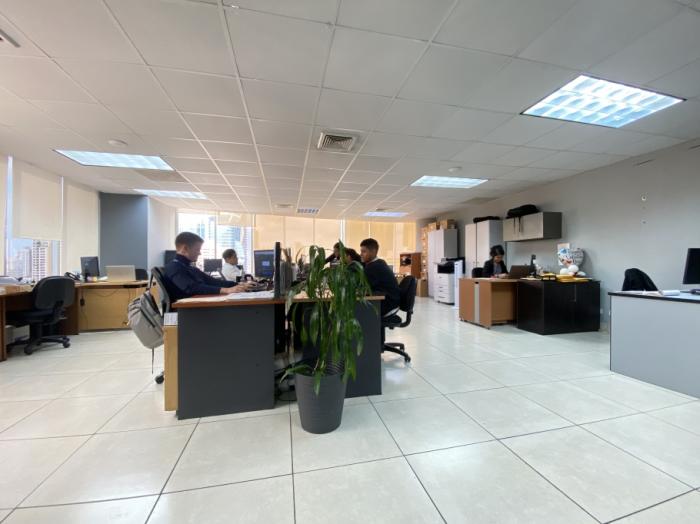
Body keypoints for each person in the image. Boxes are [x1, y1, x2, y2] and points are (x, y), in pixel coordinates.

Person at [164, 232, 251, 300]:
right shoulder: (173, 267)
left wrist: (240, 284)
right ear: (185, 248)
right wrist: (227, 290)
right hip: (187, 311)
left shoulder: (190, 268)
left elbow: (213, 281)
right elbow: (192, 288)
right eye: (197, 249)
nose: (199, 253)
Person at [359, 238, 400, 316]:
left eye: (364, 251)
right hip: (391, 302)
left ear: (373, 252)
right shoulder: (379, 262)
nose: (360, 254)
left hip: (387, 304)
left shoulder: (373, 267)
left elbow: (363, 287)